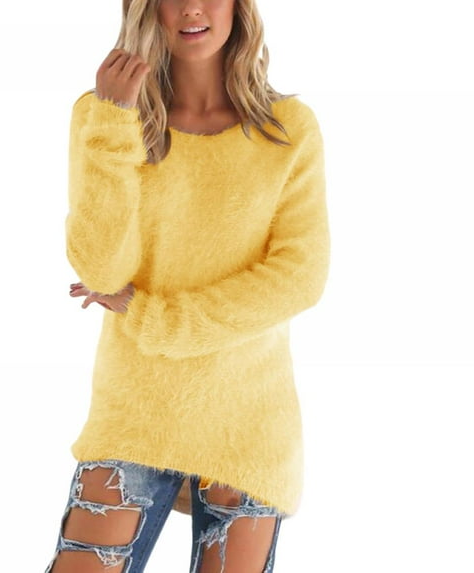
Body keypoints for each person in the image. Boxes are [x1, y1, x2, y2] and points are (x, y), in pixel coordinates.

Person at [45, 0, 330, 571]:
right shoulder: (103, 114)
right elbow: (101, 270)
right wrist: (114, 119)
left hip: (248, 422)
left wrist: (156, 318)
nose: (192, 7)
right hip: (133, 411)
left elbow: (300, 276)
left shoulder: (287, 128)